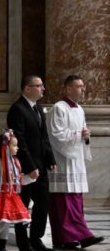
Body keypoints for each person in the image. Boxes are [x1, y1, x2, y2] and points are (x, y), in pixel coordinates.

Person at [46, 75, 104, 249]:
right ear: (68, 88)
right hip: (63, 161)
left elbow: (80, 132)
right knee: (64, 203)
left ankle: (81, 236)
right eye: (79, 86)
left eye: (83, 86)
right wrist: (79, 134)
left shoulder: (79, 109)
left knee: (76, 202)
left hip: (76, 160)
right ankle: (66, 239)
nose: (83, 89)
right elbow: (55, 135)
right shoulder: (58, 108)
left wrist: (85, 135)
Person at [7, 75, 56, 251]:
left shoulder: (38, 107)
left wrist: (50, 159)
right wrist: (30, 167)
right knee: (23, 205)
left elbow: (44, 136)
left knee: (43, 204)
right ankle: (22, 242)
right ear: (27, 88)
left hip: (41, 166)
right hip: (25, 168)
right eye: (39, 85)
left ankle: (36, 238)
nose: (43, 89)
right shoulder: (17, 109)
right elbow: (19, 140)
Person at [0, 130, 32, 251]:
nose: (17, 148)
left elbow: (18, 180)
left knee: (7, 220)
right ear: (5, 146)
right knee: (5, 221)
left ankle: (1, 245)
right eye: (14, 145)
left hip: (11, 196)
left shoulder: (15, 162)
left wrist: (31, 177)